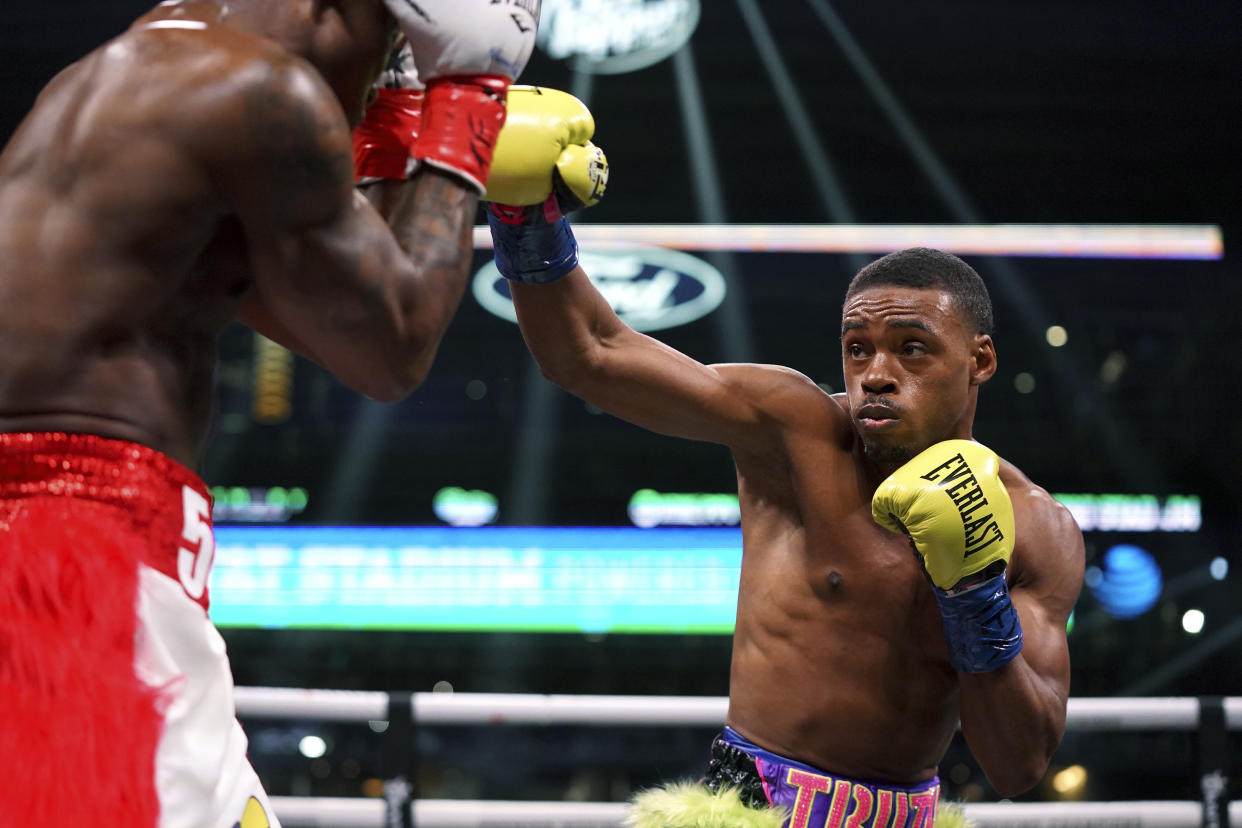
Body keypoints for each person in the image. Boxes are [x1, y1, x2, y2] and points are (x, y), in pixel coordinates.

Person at [0, 0, 538, 824]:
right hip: (71, 558)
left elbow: (345, 332)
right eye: (392, 48)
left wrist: (396, 116)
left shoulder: (142, 82)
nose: (353, 107)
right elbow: (395, 350)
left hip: (81, 545)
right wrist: (467, 95)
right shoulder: (261, 93)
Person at [482, 126, 1085, 825]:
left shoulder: (1037, 528)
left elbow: (1018, 764)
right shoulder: (794, 434)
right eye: (858, 350)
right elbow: (590, 353)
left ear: (979, 362)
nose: (876, 376)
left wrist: (975, 593)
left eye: (912, 350)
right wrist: (525, 216)